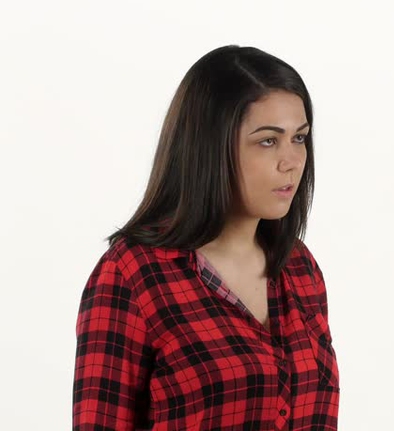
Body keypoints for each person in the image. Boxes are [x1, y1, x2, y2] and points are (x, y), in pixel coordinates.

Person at [72, 46, 339, 430]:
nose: (292, 162)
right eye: (268, 140)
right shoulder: (132, 275)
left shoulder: (298, 268)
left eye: (299, 138)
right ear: (210, 146)